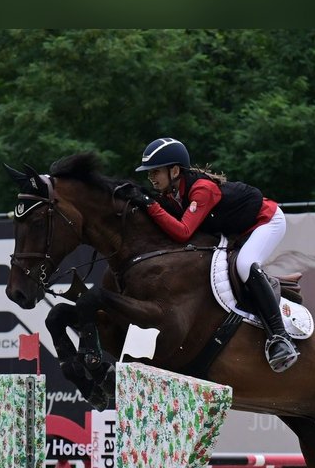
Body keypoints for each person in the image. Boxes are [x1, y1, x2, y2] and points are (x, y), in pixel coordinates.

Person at [126, 137, 298, 373]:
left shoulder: (201, 190)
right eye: (149, 173)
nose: (151, 177)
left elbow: (184, 232)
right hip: (234, 230)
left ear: (175, 170)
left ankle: (280, 338)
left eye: (155, 171)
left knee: (245, 265)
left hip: (266, 221)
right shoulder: (171, 194)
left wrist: (150, 205)